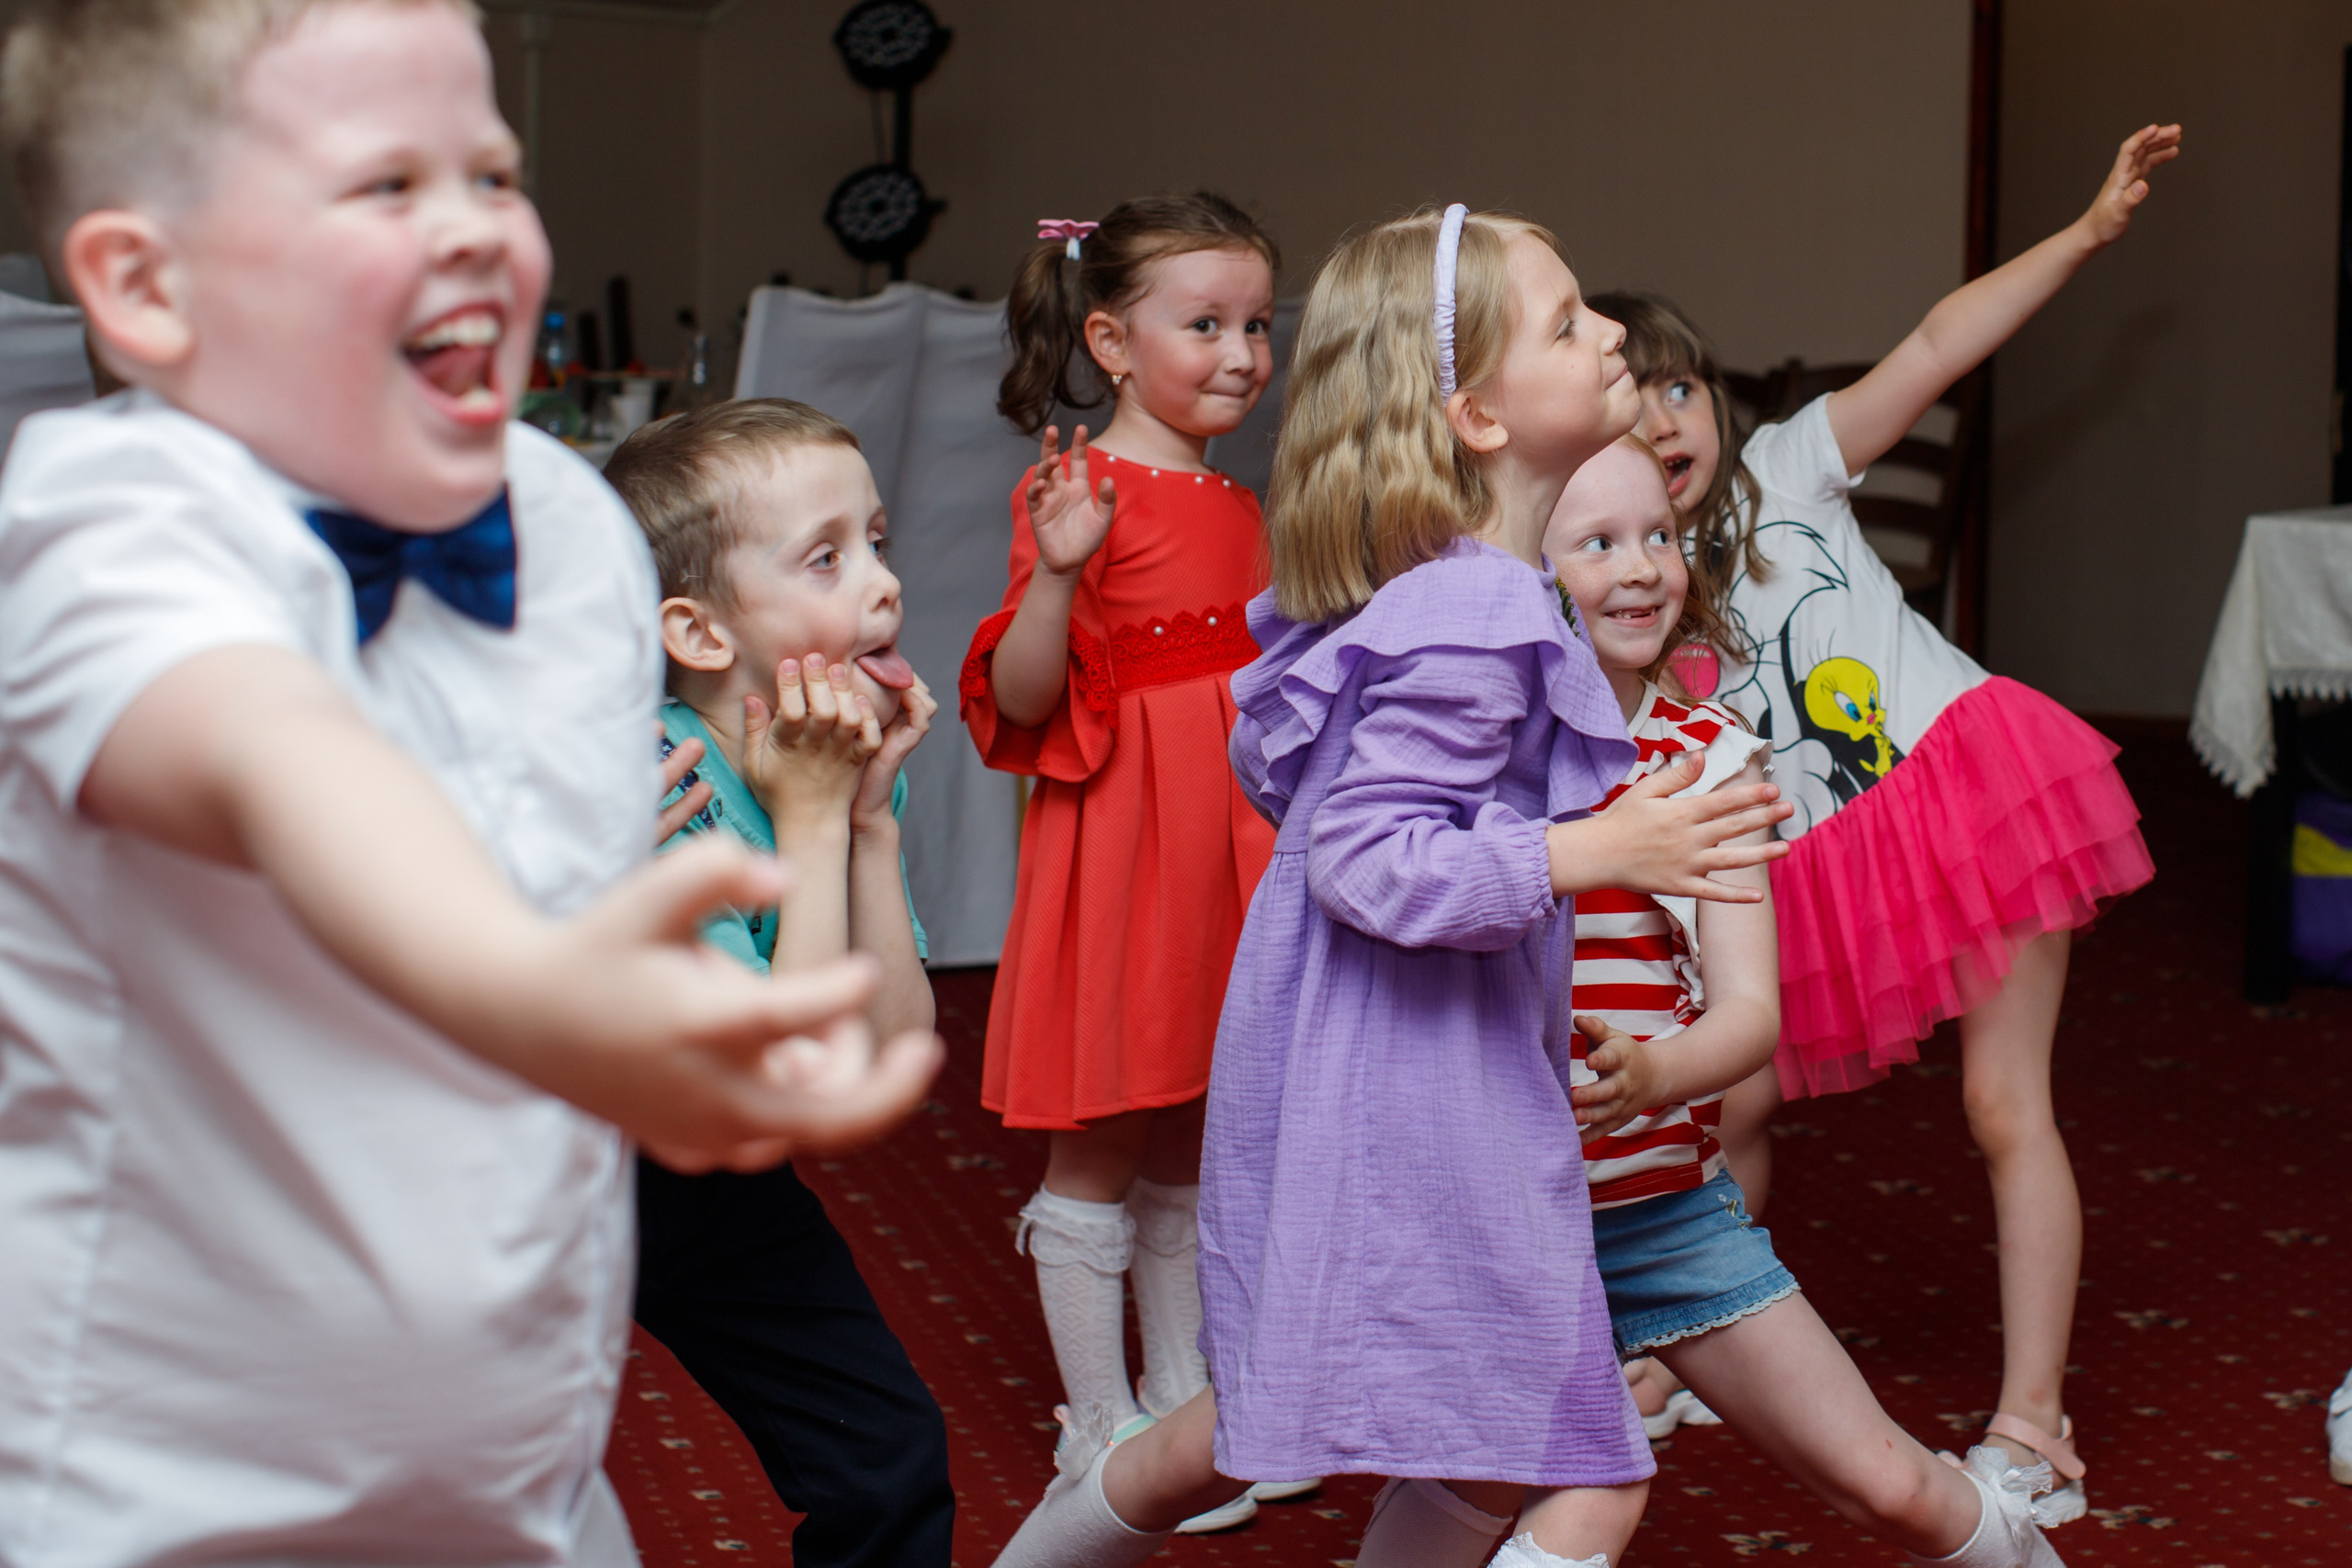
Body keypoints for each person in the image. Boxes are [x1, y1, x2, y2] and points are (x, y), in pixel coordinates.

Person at [0, 5, 938, 1562]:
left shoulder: (566, 530)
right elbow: (265, 750)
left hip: (513, 1469)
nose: (478, 234)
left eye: (493, 175)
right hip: (162, 1483)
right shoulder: (111, 517)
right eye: (385, 188)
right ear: (144, 287)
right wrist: (529, 979)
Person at [989, 205, 1795, 1568]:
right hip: (1419, 1087)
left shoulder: (1445, 587)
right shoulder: (1475, 609)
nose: (1608, 334)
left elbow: (1292, 787)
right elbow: (1368, 856)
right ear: (1477, 414)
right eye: (1566, 320)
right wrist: (1597, 849)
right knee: (1541, 1440)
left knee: (1408, 1442)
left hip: (1389, 1059)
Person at [1589, 123, 2179, 1529]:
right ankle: (1679, 1345)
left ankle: (2037, 1420)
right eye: (1628, 403)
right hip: (1819, 867)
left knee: (1999, 1103)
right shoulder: (1623, 581)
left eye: (1678, 385)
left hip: (1972, 800)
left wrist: (2088, 233)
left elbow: (1934, 339)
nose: (1664, 421)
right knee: (1723, 1098)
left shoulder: (1791, 466)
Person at [1366, 434, 2056, 1568]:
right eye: (1597, 542)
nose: (1641, 566)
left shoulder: (1712, 757)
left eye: (1661, 536)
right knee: (1485, 1493)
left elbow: (1748, 1017)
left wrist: (1653, 1076)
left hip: (1671, 1214)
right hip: (1498, 1222)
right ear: (1513, 568)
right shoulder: (1462, 751)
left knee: (1889, 1482)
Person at [960, 192, 1294, 1529]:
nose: (1240, 352)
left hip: (1229, 846)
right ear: (1108, 339)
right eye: (1204, 323)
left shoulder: (1238, 498)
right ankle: (1099, 1431)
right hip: (1124, 852)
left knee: (1197, 1131)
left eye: (1258, 324)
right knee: (1100, 1139)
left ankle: (1185, 1400)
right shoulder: (1080, 490)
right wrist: (1054, 574)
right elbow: (1027, 700)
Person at [605, 400, 956, 1568]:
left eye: (878, 540)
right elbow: (786, 1073)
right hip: (561, 1171)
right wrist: (808, 817)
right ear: (700, 636)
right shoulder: (650, 783)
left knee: (888, 1460)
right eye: (826, 556)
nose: (882, 582)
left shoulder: (839, 765)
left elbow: (889, 1056)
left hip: (709, 1181)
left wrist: (864, 832)